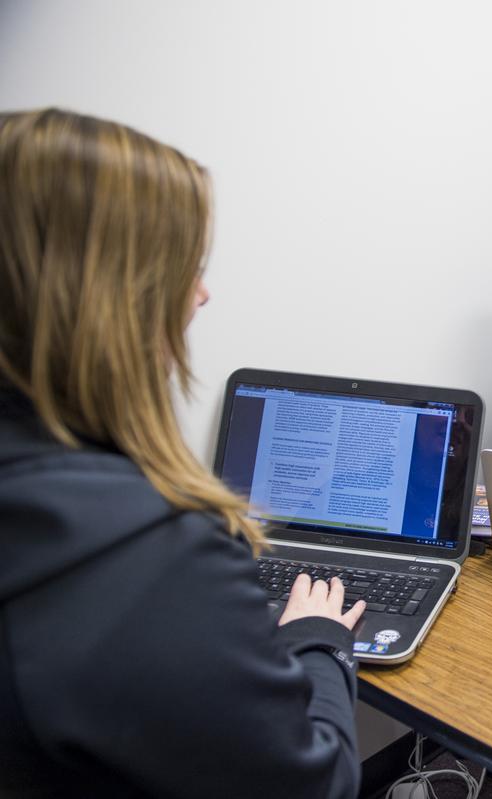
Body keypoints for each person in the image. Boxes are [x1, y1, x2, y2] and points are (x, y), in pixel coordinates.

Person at [0, 109, 365, 797]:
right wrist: (317, 637)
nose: (201, 293)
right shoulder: (153, 553)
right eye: (187, 267)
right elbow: (317, 784)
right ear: (115, 292)